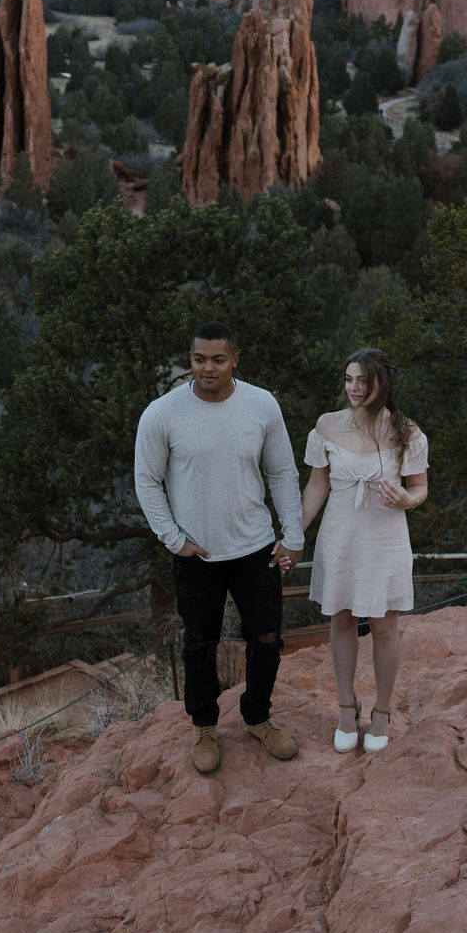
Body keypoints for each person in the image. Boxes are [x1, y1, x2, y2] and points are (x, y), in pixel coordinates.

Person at [134, 321, 304, 774]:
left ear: (235, 359)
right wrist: (174, 539)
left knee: (266, 639)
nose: (208, 368)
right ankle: (204, 726)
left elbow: (283, 472)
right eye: (198, 359)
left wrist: (294, 535)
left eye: (218, 359)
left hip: (255, 549)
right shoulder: (162, 413)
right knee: (198, 644)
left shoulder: (261, 405)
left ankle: (258, 717)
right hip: (198, 556)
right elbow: (146, 481)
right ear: (189, 359)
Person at [301, 347, 428, 752]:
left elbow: (420, 487)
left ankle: (383, 712)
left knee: (384, 624)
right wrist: (293, 534)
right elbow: (317, 484)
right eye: (348, 379)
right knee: (340, 618)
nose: (354, 388)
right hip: (340, 532)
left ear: (381, 384)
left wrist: (409, 500)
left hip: (385, 534)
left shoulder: (407, 432)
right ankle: (345, 707)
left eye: (363, 381)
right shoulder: (327, 425)